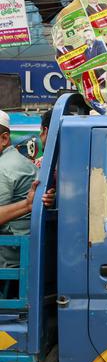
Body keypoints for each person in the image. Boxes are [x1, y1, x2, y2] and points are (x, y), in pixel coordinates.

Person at [0, 111, 44, 269]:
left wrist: (26, 205)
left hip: (9, 256)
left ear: (4, 139)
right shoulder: (19, 160)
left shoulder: (4, 168)